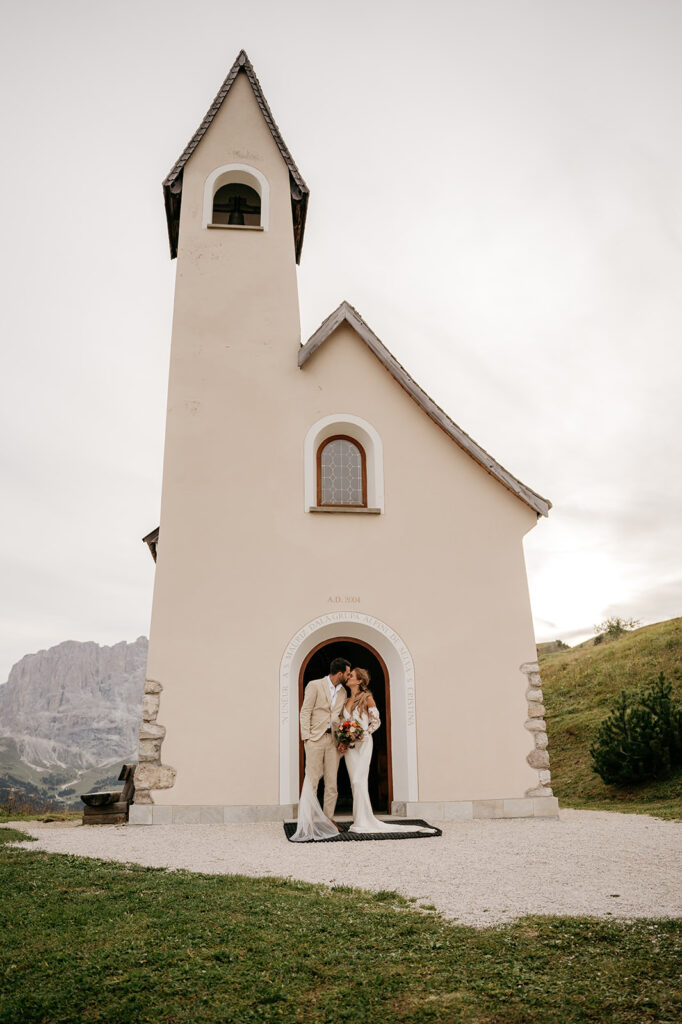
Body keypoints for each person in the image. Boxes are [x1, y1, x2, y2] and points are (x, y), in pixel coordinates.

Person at [340, 668, 436, 835]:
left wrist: (363, 734)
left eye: (351, 675)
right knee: (355, 783)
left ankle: (365, 821)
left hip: (363, 744)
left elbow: (376, 721)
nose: (348, 677)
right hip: (350, 747)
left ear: (360, 681)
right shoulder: (348, 699)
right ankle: (359, 820)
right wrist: (345, 738)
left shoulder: (367, 697)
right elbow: (345, 721)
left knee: (358, 780)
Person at [290, 657, 350, 842]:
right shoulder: (314, 685)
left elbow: (340, 716)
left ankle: (327, 820)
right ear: (339, 673)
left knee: (332, 783)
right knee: (312, 780)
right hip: (315, 739)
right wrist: (306, 737)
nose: (349, 676)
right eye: (347, 673)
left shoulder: (343, 692)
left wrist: (343, 738)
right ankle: (307, 822)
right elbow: (305, 711)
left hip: (333, 741)